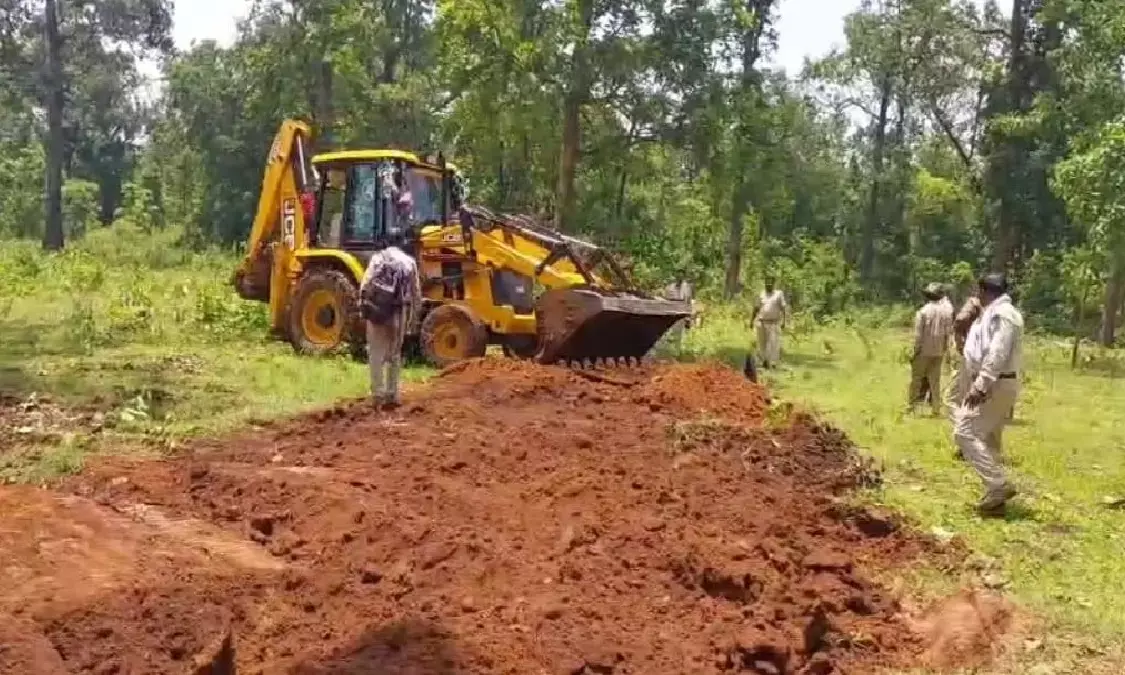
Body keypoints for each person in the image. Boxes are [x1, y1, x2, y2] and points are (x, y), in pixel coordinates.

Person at [953, 273, 1023, 515]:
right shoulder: (993, 313)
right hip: (995, 381)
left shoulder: (1003, 315)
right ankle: (996, 502)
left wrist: (981, 384)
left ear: (984, 291)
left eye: (978, 292)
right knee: (987, 438)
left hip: (995, 383)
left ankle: (998, 484)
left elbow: (997, 352)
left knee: (964, 432)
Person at [359, 236, 422, 408]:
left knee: (376, 354)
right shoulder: (409, 262)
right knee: (394, 353)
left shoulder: (378, 258)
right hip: (398, 312)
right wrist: (414, 318)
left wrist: (363, 307)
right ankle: (392, 394)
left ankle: (378, 394)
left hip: (378, 311)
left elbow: (365, 284)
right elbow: (416, 293)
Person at [908, 283, 953, 416]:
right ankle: (936, 409)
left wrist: (915, 351)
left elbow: (918, 335)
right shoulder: (946, 312)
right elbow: (947, 333)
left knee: (916, 379)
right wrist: (945, 350)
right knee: (935, 381)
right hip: (938, 351)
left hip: (923, 351)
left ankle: (911, 407)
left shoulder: (922, 312)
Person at [946, 293, 983, 421]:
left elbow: (960, 320)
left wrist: (959, 339)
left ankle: (962, 423)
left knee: (951, 397)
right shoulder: (994, 310)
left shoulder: (973, 303)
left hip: (969, 356)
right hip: (983, 358)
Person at [752, 277, 788, 369]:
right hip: (761, 322)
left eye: (770, 283)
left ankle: (772, 362)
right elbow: (756, 308)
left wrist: (784, 321)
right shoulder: (762, 294)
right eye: (766, 283)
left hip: (774, 322)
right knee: (762, 343)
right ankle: (764, 361)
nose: (768, 285)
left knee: (773, 343)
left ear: (773, 284)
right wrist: (751, 320)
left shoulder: (778, 294)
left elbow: (783, 308)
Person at [663, 273, 694, 349]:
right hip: (671, 313)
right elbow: (666, 301)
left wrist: (688, 316)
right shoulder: (669, 288)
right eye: (678, 276)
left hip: (682, 313)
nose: (679, 278)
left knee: (680, 333)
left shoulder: (687, 288)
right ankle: (668, 349)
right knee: (669, 333)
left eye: (681, 276)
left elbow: (688, 302)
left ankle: (678, 350)